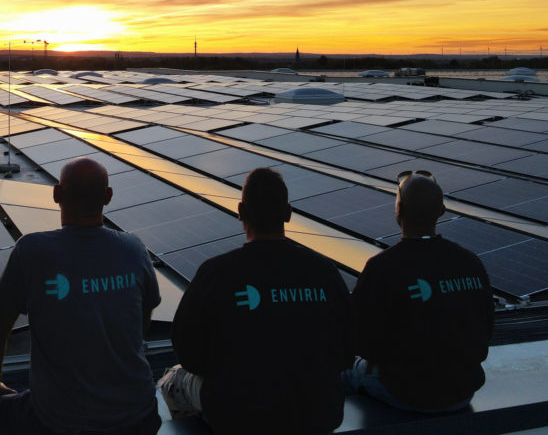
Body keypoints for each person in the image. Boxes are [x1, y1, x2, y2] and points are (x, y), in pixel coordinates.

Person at [0, 157, 162, 435]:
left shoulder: (32, 251)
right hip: (139, 414)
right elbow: (143, 318)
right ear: (108, 196)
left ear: (57, 193)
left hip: (60, 421)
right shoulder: (134, 248)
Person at [167, 167, 353, 434]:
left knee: (172, 380)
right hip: (318, 412)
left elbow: (189, 355)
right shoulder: (324, 272)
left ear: (241, 211)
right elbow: (346, 349)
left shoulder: (216, 274)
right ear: (288, 213)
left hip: (239, 416)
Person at [343, 171, 493, 412]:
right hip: (462, 391)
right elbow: (486, 327)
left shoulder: (383, 267)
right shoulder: (470, 262)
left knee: (343, 371)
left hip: (406, 393)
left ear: (398, 211)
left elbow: (357, 340)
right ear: (442, 211)